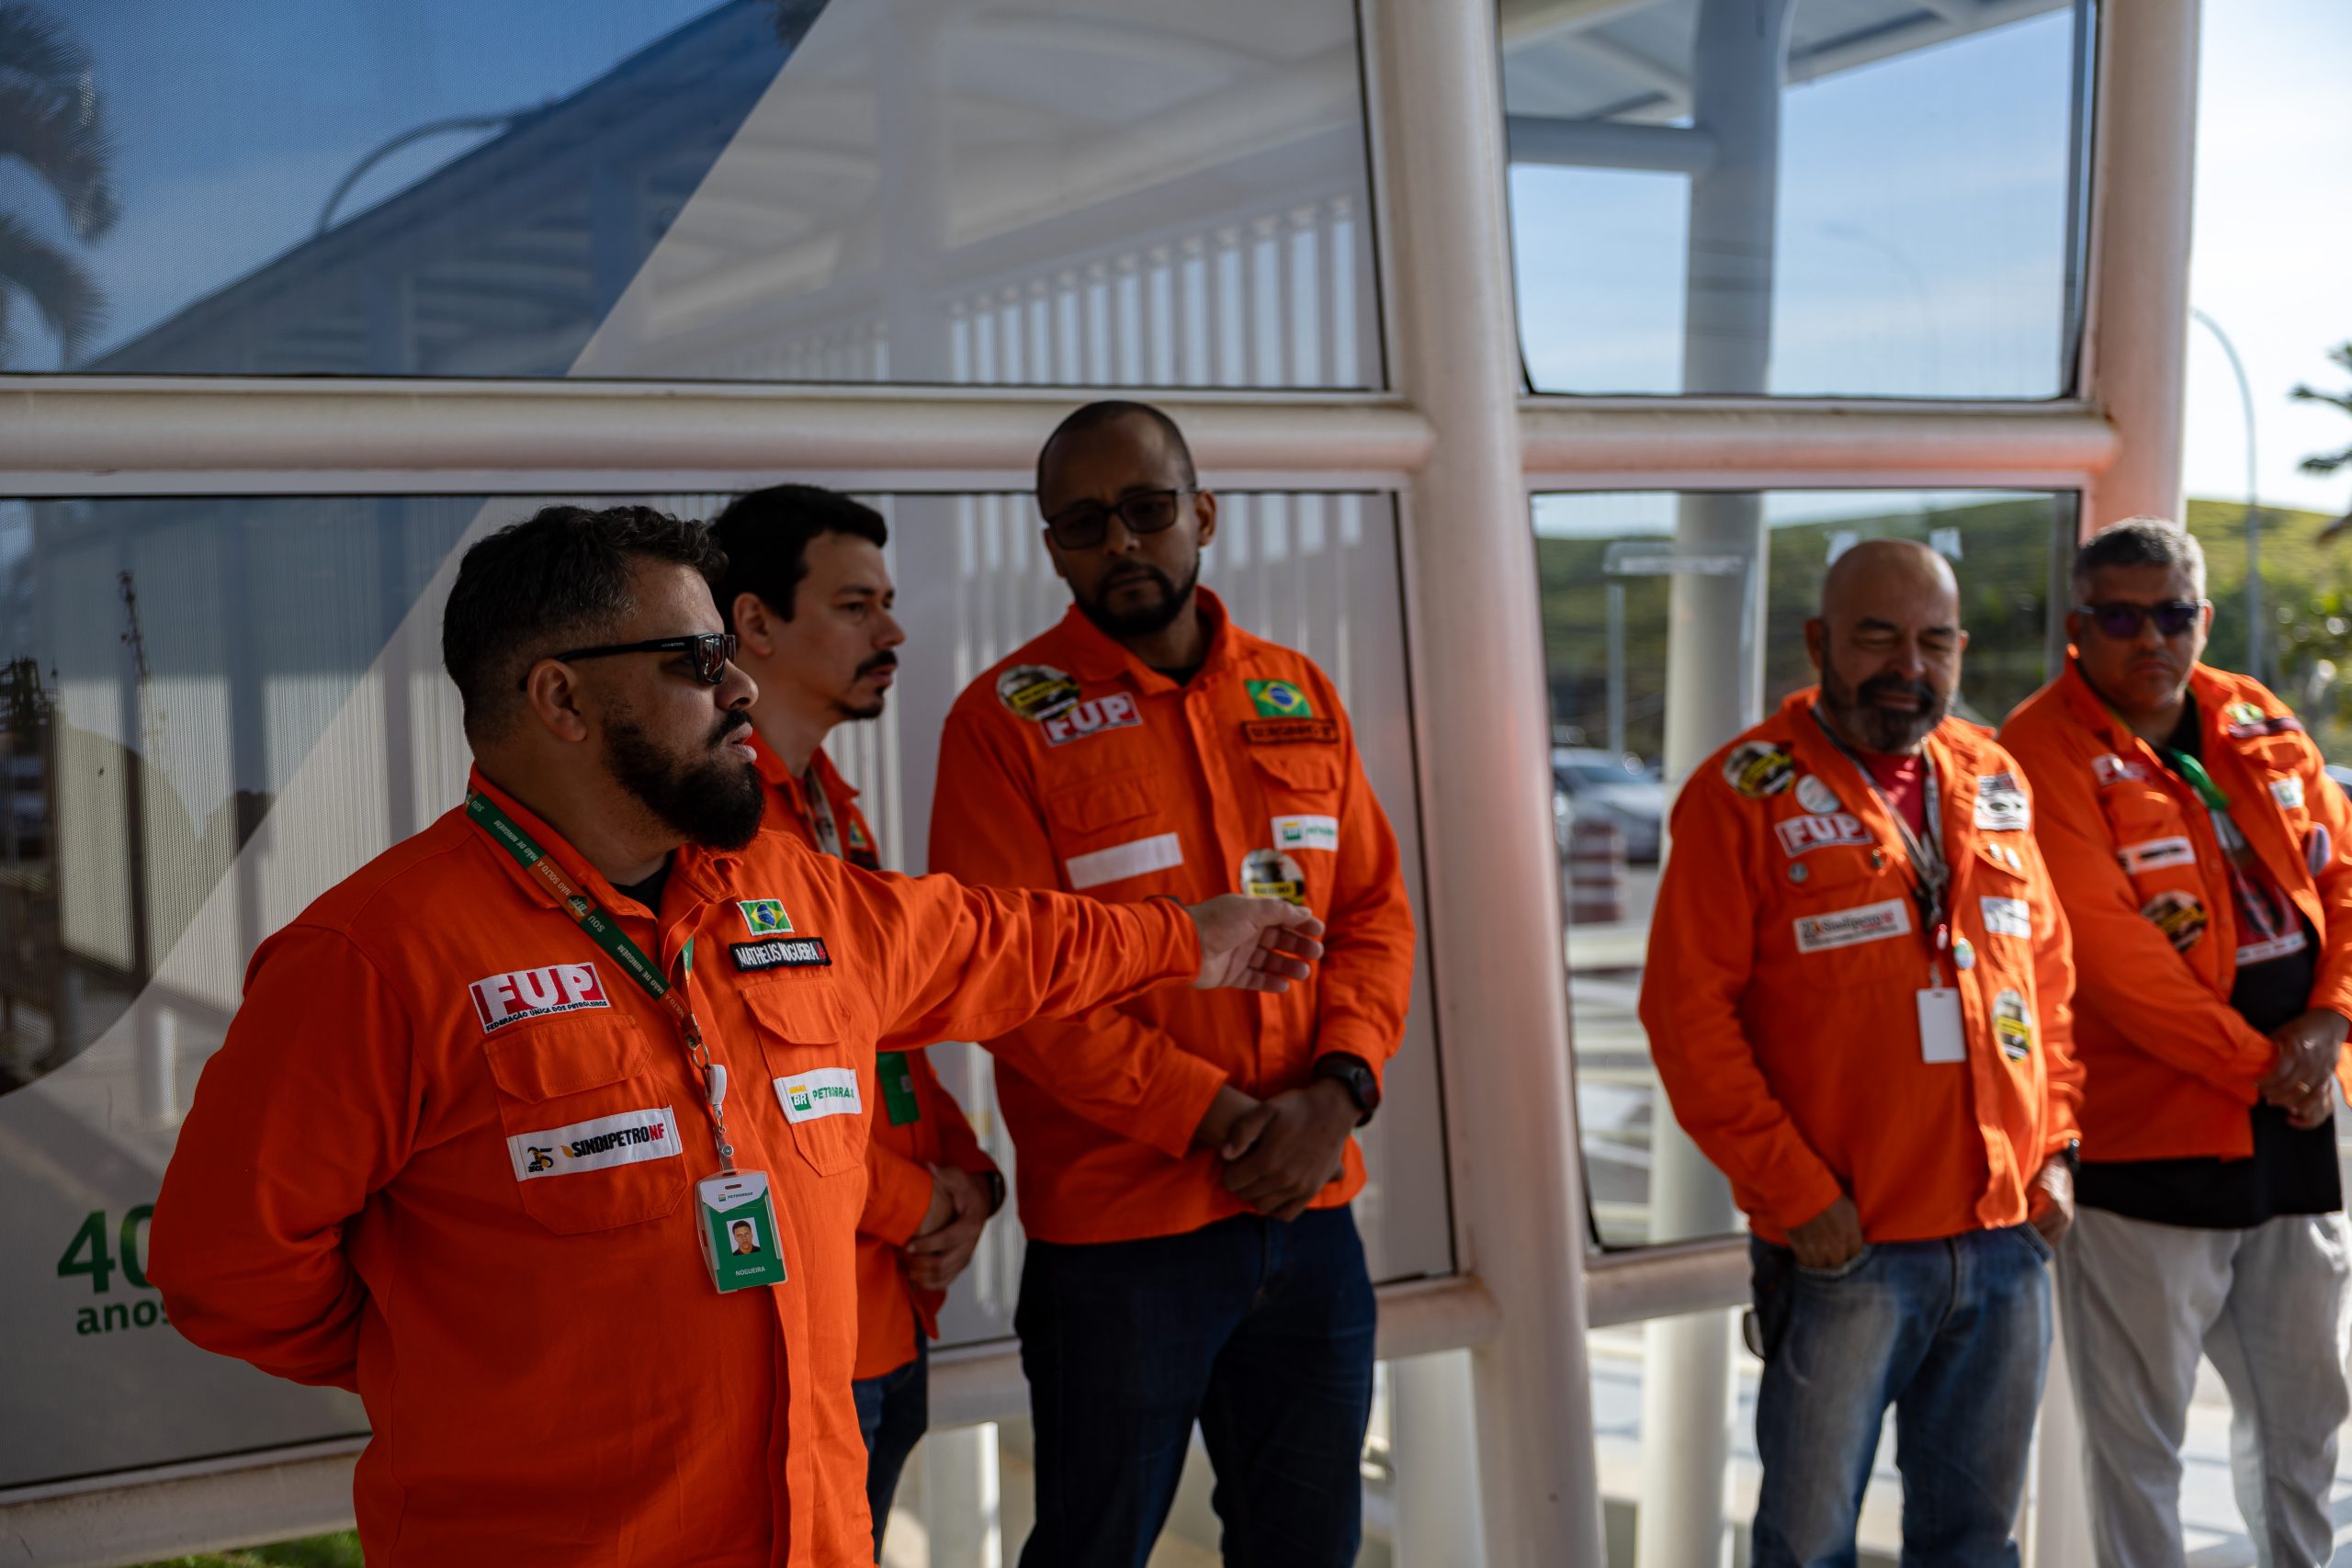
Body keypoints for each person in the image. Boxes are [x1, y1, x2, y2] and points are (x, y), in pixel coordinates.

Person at [146, 504, 1325, 1568]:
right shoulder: (371, 959)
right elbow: (229, 1272)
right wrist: (449, 1351)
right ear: (560, 699)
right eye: (699, 661)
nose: (742, 689)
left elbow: (994, 941)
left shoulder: (788, 891)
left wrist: (1184, 939)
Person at [928, 401, 1417, 1568]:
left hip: (1310, 1213)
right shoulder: (1002, 723)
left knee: (1309, 1549)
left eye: (1147, 510)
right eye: (1083, 523)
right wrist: (1222, 1118)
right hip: (1122, 1240)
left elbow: (1371, 916)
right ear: (1052, 548)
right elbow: (1010, 978)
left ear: (1202, 514)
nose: (1120, 542)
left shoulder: (1297, 693)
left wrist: (1338, 1090)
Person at [1639, 537, 2081, 1568]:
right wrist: (1795, 1195)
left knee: (1975, 1545)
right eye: (1878, 637)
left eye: (1935, 641)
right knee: (1808, 1547)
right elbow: (1687, 1019)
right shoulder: (1740, 793)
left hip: (2004, 1236)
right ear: (1818, 642)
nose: (1908, 666)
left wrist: (2056, 1150)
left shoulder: (1993, 775)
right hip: (1844, 1246)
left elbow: (2048, 982)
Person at [1999, 517, 2352, 1567]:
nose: (2148, 639)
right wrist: (2270, 1067)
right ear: (2076, 626)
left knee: (2304, 1420)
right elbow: (2109, 961)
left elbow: (2344, 875)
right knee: (2139, 1447)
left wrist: (2331, 1019)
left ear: (2202, 617)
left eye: (2171, 615)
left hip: (2294, 1132)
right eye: (2118, 618)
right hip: (2145, 1145)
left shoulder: (2253, 713)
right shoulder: (2038, 749)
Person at [710, 483, 1002, 1563]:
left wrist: (973, 1182)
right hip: (806, 1336)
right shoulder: (716, 829)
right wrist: (927, 1202)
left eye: (887, 602)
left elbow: (886, 1040)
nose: (893, 632)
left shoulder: (830, 804)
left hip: (890, 1309)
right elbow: (748, 1105)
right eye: (854, 606)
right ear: (753, 623)